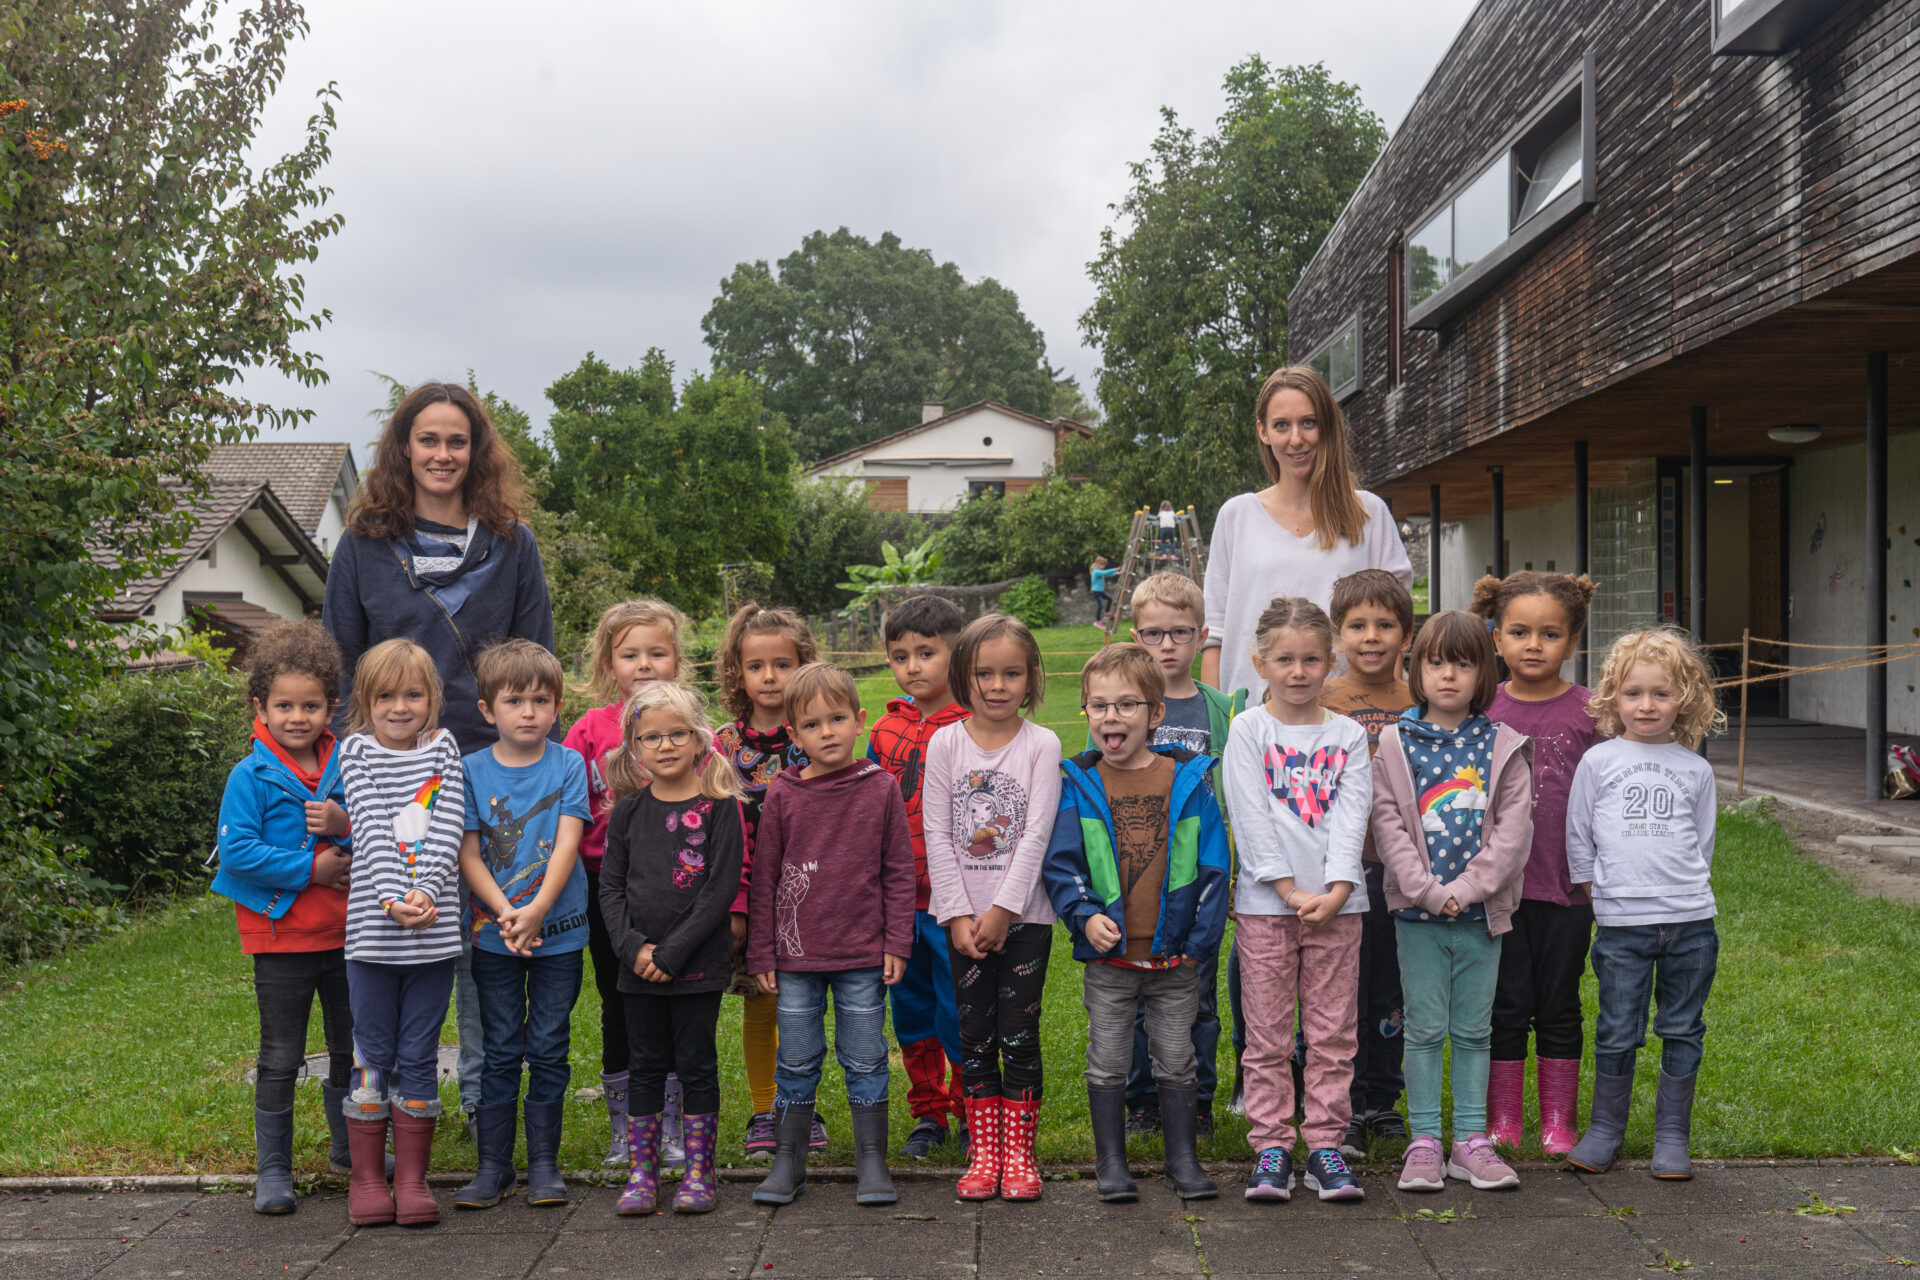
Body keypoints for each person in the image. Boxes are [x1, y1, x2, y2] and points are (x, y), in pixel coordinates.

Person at [323, 380, 556, 1135]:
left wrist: (525, 769)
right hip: (388, 780)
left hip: (492, 780)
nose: (443, 454)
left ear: (477, 451)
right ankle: (364, 1122)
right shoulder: (363, 546)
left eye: (458, 441)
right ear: (403, 448)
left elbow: (534, 662)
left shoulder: (513, 544)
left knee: (484, 958)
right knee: (388, 943)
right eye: (429, 439)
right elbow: (339, 666)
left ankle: (486, 1121)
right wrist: (351, 781)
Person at [1046, 644, 1229, 1204]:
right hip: (1111, 960)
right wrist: (1082, 916)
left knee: (1177, 1055)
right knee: (1108, 1057)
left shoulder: (1189, 780)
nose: (1111, 717)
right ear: (1086, 714)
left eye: (1126, 705)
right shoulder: (1078, 783)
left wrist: (1199, 944)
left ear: (1156, 715)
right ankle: (1112, 1163)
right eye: (1098, 706)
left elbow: (1214, 867)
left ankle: (1182, 1159)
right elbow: (1062, 864)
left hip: (1174, 957)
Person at [1371, 611, 1533, 1194]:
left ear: (1484, 672)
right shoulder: (1395, 742)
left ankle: (1469, 1140)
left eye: (1464, 664)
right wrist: (1427, 891)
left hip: (1480, 919)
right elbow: (1387, 824)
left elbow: (1514, 835)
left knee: (1472, 1031)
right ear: (1416, 667)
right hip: (1417, 918)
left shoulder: (1503, 746)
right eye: (1436, 662)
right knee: (1422, 1030)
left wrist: (1465, 891)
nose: (1448, 676)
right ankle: (1424, 1141)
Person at [747, 663, 915, 1207]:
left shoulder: (880, 787)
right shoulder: (784, 795)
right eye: (813, 725)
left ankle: (872, 1161)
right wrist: (762, 951)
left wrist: (896, 942)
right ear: (793, 735)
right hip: (796, 957)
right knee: (795, 1058)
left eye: (838, 719)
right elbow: (766, 875)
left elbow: (897, 871)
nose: (828, 732)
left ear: (859, 720)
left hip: (863, 954)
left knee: (865, 1056)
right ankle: (788, 1162)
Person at [1221, 599, 1369, 1204]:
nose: (1299, 671)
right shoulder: (1248, 730)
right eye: (1285, 659)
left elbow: (1353, 815)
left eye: (1312, 659)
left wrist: (1336, 891)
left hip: (1339, 909)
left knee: (1333, 1033)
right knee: (1268, 1036)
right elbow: (1250, 816)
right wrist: (1285, 889)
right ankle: (1272, 1147)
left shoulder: (1350, 734)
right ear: (1261, 662)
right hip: (1264, 907)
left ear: (1330, 663)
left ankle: (1326, 1145)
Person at [1565, 629, 1725, 1181]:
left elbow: (1701, 844)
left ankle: (1672, 1136)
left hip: (1690, 925)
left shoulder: (1696, 769)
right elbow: (1578, 832)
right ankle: (1605, 1130)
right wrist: (1593, 888)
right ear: (1614, 698)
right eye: (1634, 693)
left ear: (1685, 699)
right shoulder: (1599, 761)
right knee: (1616, 1028)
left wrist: (1682, 895)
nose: (1647, 705)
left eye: (1661, 693)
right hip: (1621, 928)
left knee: (1682, 1028)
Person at [212, 623, 357, 1215]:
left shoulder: (349, 764)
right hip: (280, 941)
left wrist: (344, 826)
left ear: (331, 706)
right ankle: (273, 1170)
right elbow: (238, 850)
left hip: (349, 937)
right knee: (280, 1056)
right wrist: (311, 868)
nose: (298, 716)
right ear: (260, 707)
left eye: (311, 705)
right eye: (284, 705)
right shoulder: (249, 776)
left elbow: (379, 828)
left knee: (352, 1050)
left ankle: (350, 1152)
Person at [923, 614, 1063, 1202]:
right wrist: (956, 913)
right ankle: (984, 1156)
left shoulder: (1043, 745)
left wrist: (1005, 908)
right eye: (985, 673)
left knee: (1019, 1035)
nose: (998, 685)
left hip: (1025, 921)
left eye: (1012, 673)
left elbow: (1035, 834)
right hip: (962, 924)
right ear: (964, 676)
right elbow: (935, 832)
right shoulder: (944, 743)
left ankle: (1019, 1156)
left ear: (1031, 679)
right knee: (974, 1035)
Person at [1102, 572, 1244, 1138]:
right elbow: (1099, 791)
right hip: (1137, 874)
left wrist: (1232, 873)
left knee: (1197, 996)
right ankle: (1141, 1102)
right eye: (1154, 634)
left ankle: (1198, 1099)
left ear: (1202, 635)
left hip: (1197, 878)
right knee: (1137, 995)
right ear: (1136, 636)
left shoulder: (1218, 711)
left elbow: (1235, 800)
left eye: (1180, 633)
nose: (1166, 646)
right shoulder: (1120, 706)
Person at [1472, 572, 1607, 1158]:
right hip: (1497, 891)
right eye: (1519, 632)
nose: (1533, 645)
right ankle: (1503, 1120)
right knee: (1504, 1004)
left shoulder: (1594, 714)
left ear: (1573, 641)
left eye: (1549, 634)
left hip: (1568, 891)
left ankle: (1558, 1121)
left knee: (1559, 1002)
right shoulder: (1481, 711)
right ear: (1495, 638)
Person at [452, 640, 590, 1211]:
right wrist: (507, 913)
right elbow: (468, 853)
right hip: (493, 935)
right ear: (488, 709)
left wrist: (536, 911)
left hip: (560, 933)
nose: (529, 711)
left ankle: (544, 1166)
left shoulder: (569, 764)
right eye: (515, 700)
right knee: (502, 1047)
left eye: (541, 699)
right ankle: (493, 1167)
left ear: (558, 706)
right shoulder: (468, 770)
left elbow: (568, 842)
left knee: (550, 1047)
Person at [600, 681, 747, 1215]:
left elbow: (719, 891)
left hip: (697, 968)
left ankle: (699, 1174)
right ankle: (644, 1176)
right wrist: (634, 948)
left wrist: (672, 953)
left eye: (676, 734)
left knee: (696, 1065)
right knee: (644, 1065)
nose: (664, 746)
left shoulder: (719, 810)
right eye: (651, 737)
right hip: (636, 969)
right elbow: (611, 888)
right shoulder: (627, 813)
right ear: (634, 748)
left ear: (698, 739)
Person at [336, 639, 468, 1228]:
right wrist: (392, 898)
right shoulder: (355, 751)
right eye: (385, 695)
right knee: (372, 1055)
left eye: (413, 694)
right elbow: (366, 824)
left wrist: (428, 893)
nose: (399, 706)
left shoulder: (443, 747)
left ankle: (412, 1180)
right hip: (373, 934)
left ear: (431, 699)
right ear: (365, 701)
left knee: (419, 1054)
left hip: (433, 936)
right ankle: (367, 1180)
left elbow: (448, 825)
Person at [1201, 365, 1412, 705]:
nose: (1296, 438)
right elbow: (1215, 636)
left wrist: (1386, 710)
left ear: (1326, 426)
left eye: (1308, 423)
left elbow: (1393, 626)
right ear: (1263, 431)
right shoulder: (1236, 516)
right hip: (1253, 720)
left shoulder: (1368, 514)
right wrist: (1215, 728)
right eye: (1281, 425)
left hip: (1350, 720)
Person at [562, 598, 688, 1169]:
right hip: (602, 888)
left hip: (676, 887)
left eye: (656, 652)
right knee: (619, 1002)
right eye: (629, 653)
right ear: (608, 664)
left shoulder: (691, 728)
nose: (643, 663)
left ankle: (676, 1130)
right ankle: (626, 1129)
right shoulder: (588, 731)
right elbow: (564, 807)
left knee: (676, 1001)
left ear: (675, 660)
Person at [713, 603, 824, 1160]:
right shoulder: (723, 745)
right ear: (738, 672)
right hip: (750, 895)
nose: (770, 677)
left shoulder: (816, 736)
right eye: (756, 666)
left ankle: (803, 1105)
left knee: (804, 1004)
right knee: (761, 1002)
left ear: (804, 664)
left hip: (809, 893)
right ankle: (764, 1109)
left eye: (783, 664)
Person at [866, 595, 971, 1161]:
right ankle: (928, 1113)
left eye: (926, 653)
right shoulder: (883, 731)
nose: (912, 666)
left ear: (956, 654)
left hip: (956, 903)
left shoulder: (980, 727)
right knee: (909, 1012)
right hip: (898, 904)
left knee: (960, 1010)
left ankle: (972, 1108)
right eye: (900, 655)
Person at [1318, 570, 1417, 1158]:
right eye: (1358, 625)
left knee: (1391, 989)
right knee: (1338, 992)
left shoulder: (1420, 700)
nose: (1371, 636)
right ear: (1338, 634)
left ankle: (1382, 1099)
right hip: (1338, 872)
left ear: (1406, 635)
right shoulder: (1321, 699)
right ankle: (1340, 1103)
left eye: (1385, 625)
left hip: (1403, 871)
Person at [1090, 555, 1119, 624]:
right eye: (1101, 565)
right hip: (1096, 591)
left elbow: (1106, 575)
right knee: (1100, 606)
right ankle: (1097, 621)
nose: (1102, 567)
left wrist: (1115, 573)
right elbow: (1105, 572)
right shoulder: (1096, 572)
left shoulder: (1099, 571)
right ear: (1096, 564)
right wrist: (1114, 569)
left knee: (1110, 598)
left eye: (1103, 565)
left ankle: (1107, 612)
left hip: (1100, 591)